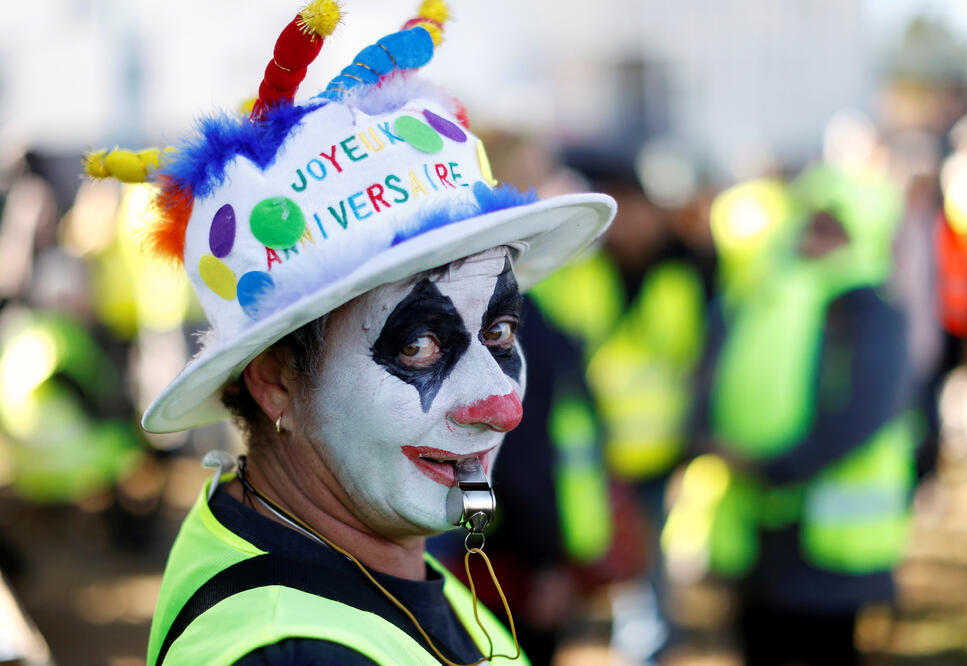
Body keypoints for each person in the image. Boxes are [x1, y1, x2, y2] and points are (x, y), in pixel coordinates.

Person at [84, 2, 616, 664]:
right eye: (419, 344)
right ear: (275, 378)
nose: (502, 405)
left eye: (501, 331)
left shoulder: (366, 553)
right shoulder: (298, 649)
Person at [688, 165, 914, 666]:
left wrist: (773, 468)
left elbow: (862, 413)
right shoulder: (762, 295)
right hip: (757, 526)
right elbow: (713, 375)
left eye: (835, 229)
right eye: (812, 224)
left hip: (829, 534)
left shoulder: (872, 313)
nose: (816, 241)